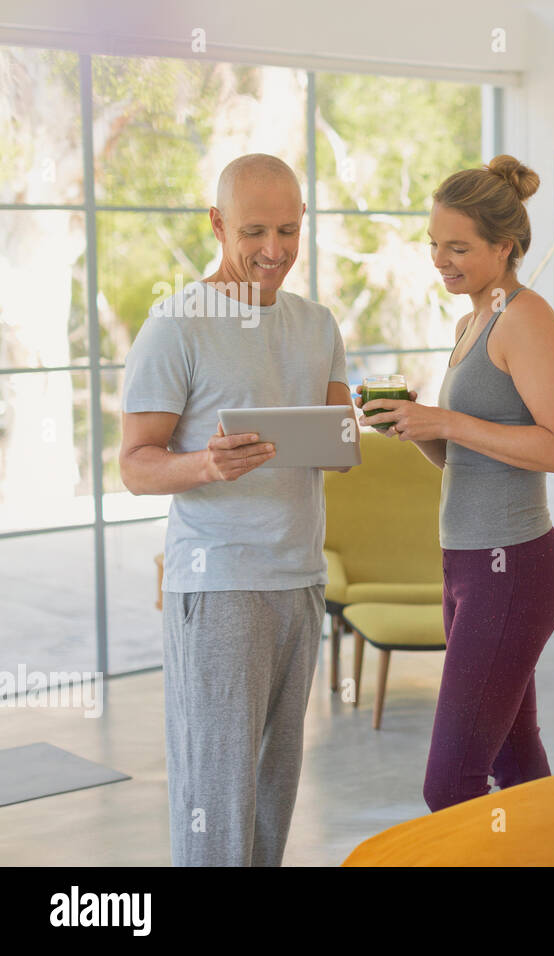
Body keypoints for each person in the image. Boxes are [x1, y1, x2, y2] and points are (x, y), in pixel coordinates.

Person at [119, 153, 352, 865]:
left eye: (288, 229)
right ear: (217, 224)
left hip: (300, 578)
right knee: (215, 796)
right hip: (218, 585)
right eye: (254, 230)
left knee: (271, 793)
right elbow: (134, 463)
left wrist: (362, 428)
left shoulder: (318, 325)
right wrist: (204, 464)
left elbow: (339, 438)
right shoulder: (176, 325)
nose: (273, 250)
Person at [357, 154, 554, 812]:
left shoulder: (527, 320)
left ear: (504, 247)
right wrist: (414, 427)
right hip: (466, 566)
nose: (440, 259)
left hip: (514, 569)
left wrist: (449, 419)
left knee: (451, 783)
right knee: (515, 763)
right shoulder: (470, 323)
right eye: (434, 244)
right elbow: (467, 453)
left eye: (458, 247)